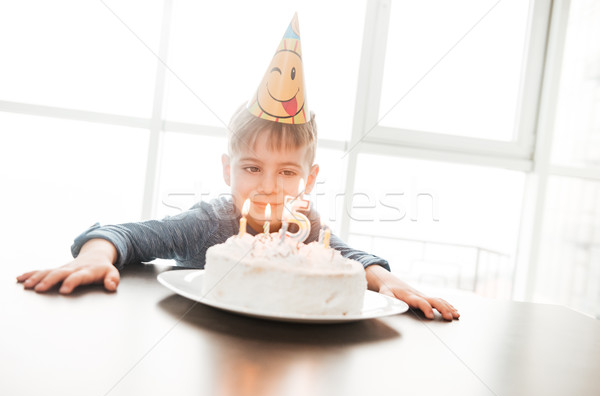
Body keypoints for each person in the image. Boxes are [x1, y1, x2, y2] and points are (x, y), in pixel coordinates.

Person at [16, 14, 460, 321]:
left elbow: (348, 257)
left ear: (309, 179)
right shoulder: (209, 224)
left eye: (287, 173)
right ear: (227, 169)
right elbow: (128, 234)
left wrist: (385, 280)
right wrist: (96, 255)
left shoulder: (306, 227)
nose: (269, 186)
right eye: (252, 168)